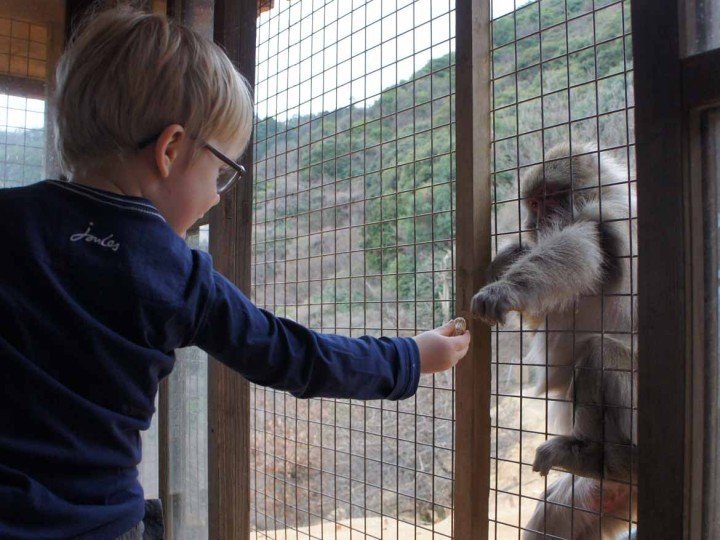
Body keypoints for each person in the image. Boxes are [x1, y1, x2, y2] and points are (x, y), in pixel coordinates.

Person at [0, 6, 471, 539]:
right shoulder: (176, 273)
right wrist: (410, 356)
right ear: (170, 149)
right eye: (220, 174)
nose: (216, 199)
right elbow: (295, 355)